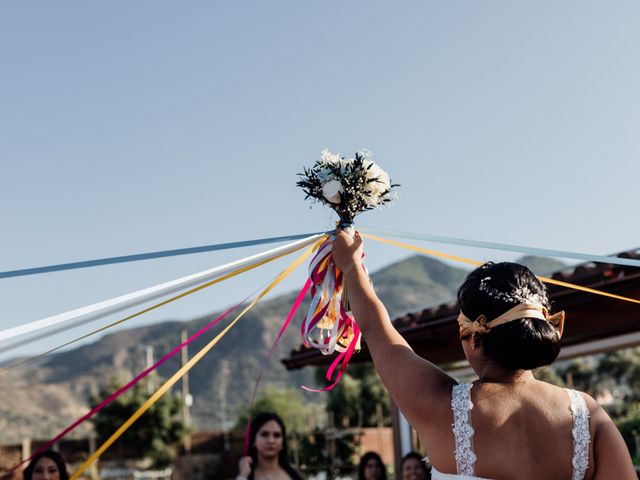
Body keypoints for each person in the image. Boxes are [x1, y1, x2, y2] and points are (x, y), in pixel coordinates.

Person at [331, 228, 636, 480]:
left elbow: (374, 327)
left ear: (473, 336)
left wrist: (350, 265)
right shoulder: (587, 413)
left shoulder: (439, 406)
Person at [237, 412, 303, 480]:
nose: (271, 441)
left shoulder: (294, 475)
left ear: (283, 442)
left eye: (277, 435)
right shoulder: (246, 475)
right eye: (264, 434)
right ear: (254, 441)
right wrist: (243, 475)